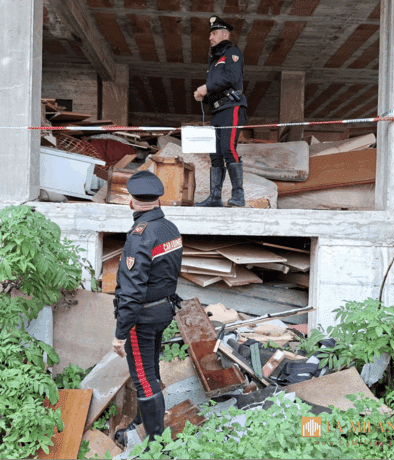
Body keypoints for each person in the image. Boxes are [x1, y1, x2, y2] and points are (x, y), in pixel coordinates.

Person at [112, 170, 183, 447]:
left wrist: (120, 333)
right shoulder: (170, 228)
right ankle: (141, 423)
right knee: (149, 371)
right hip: (163, 310)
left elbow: (132, 292)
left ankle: (156, 445)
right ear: (158, 200)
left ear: (131, 201)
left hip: (142, 318)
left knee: (143, 377)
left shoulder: (139, 236)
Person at [194, 15, 248, 208]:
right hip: (217, 111)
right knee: (215, 154)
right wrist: (204, 95)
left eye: (214, 33)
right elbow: (216, 86)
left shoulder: (232, 52)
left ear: (225, 35)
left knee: (228, 148)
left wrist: (206, 87)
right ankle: (215, 198)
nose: (210, 37)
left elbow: (231, 77)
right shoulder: (214, 60)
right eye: (210, 34)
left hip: (231, 107)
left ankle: (238, 196)